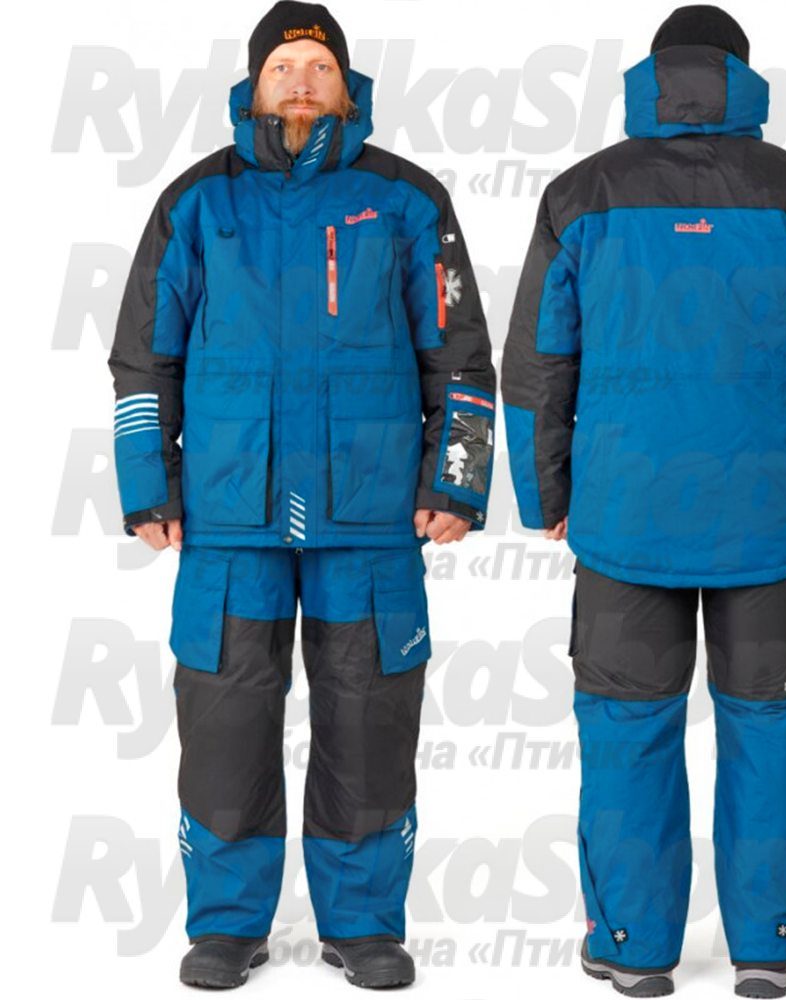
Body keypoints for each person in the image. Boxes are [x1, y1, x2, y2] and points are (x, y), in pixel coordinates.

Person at [502, 5, 786, 997]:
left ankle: (632, 947)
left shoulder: (580, 194)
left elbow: (537, 369)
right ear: (742, 79)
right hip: (772, 522)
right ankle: (770, 946)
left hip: (624, 521)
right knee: (773, 734)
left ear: (652, 78)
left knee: (627, 734)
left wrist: (545, 495)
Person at [108, 1, 495, 988]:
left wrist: (455, 480)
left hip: (370, 519)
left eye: (318, 64)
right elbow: (143, 358)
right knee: (225, 720)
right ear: (253, 84)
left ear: (346, 86)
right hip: (229, 517)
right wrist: (149, 486)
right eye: (282, 64)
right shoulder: (198, 201)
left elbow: (458, 354)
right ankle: (226, 924)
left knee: (369, 720)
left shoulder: (406, 201)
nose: (300, 80)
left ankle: (362, 924)